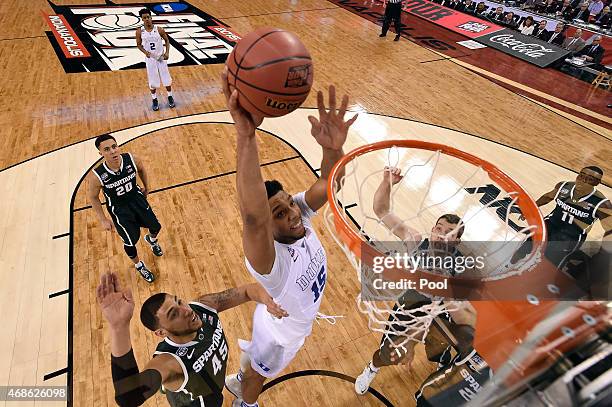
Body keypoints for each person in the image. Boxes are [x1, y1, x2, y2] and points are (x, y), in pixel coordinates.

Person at [220, 67, 358, 407]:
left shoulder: (296, 213)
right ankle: (244, 400)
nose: (293, 214)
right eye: (279, 214)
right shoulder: (271, 263)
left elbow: (331, 183)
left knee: (252, 369)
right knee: (257, 379)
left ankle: (242, 375)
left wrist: (332, 150)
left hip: (284, 319)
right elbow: (253, 217)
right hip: (279, 335)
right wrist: (246, 136)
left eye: (287, 205)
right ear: (267, 225)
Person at [353, 167, 475, 395]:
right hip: (408, 308)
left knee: (441, 348)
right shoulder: (416, 241)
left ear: (456, 242)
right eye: (439, 229)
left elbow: (462, 312)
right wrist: (387, 182)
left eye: (450, 233)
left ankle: (442, 361)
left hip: (438, 315)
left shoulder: (462, 267)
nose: (442, 235)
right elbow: (380, 210)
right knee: (386, 354)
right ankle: (372, 368)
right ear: (432, 230)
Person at [97, 271, 287, 407]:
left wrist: (268, 301)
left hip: (214, 385)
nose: (187, 311)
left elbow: (247, 291)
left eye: (179, 301)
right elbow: (128, 398)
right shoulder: (169, 362)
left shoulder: (203, 307)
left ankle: (238, 383)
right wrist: (119, 327)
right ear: (161, 333)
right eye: (174, 314)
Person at [88, 134, 163, 283]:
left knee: (156, 226)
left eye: (114, 147)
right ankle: (139, 265)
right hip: (120, 211)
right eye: (107, 149)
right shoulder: (98, 175)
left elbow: (141, 169)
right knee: (130, 241)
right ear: (101, 153)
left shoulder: (131, 159)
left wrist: (147, 187)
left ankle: (151, 240)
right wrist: (103, 219)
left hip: (137, 201)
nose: (113, 151)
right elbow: (93, 197)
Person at [511, 166, 611, 270]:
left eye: (589, 179)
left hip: (571, 236)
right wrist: (531, 208)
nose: (583, 180)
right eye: (581, 175)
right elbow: (548, 197)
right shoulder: (564, 186)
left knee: (549, 265)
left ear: (597, 182)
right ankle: (510, 265)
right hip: (551, 224)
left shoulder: (602, 204)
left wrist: (602, 252)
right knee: (525, 246)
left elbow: (609, 228)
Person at [136, 8, 175, 111]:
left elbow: (167, 40)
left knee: (166, 80)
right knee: (152, 81)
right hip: (150, 59)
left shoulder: (159, 29)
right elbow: (139, 45)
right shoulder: (140, 31)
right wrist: (145, 52)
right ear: (142, 19)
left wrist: (167, 52)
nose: (147, 19)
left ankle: (170, 96)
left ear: (151, 17)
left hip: (161, 58)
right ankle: (154, 99)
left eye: (148, 17)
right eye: (144, 18)